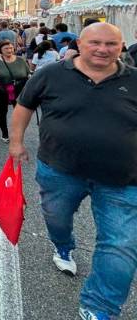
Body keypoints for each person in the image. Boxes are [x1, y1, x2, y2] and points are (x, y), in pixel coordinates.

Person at [10, 22, 137, 320]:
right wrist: (16, 143)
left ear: (121, 47)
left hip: (123, 178)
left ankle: (99, 307)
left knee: (121, 245)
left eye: (111, 44)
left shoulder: (134, 80)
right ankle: (63, 246)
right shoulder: (51, 74)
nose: (102, 49)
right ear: (79, 43)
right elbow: (24, 105)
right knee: (56, 218)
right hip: (60, 169)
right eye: (95, 42)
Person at [0, 40, 30, 142]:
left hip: (19, 88)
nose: (9, 50)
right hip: (1, 89)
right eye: (6, 48)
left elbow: (28, 73)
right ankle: (4, 133)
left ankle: (17, 132)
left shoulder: (20, 60)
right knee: (2, 112)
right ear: (1, 50)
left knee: (20, 112)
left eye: (11, 48)